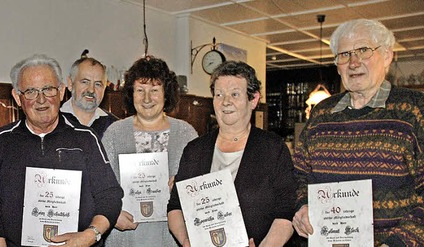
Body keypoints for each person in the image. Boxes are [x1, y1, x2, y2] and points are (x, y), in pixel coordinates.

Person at [292, 19, 424, 247]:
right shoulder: (321, 113)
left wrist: (397, 243)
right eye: (344, 55)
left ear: (387, 56)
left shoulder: (415, 109)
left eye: (363, 50)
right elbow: (299, 175)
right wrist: (301, 205)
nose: (353, 62)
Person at [0, 54, 123, 247]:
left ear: (61, 92)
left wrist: (90, 235)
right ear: (17, 97)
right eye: (30, 91)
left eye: (48, 89)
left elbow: (109, 195)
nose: (41, 100)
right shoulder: (0, 141)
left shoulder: (86, 138)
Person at [167, 61, 297, 246]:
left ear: (253, 100)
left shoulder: (273, 149)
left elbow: (286, 211)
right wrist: (187, 241)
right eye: (219, 94)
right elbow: (175, 207)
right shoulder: (195, 150)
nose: (225, 101)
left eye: (234, 94)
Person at [101, 56, 198, 247]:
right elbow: (100, 187)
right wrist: (112, 214)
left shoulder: (186, 134)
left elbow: (199, 188)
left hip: (171, 237)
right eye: (140, 90)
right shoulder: (114, 133)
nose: (147, 99)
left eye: (154, 90)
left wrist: (184, 188)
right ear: (131, 93)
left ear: (166, 93)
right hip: (125, 236)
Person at [61, 53, 118, 138]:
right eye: (85, 82)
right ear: (70, 83)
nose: (91, 90)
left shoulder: (115, 127)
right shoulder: (52, 122)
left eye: (98, 84)